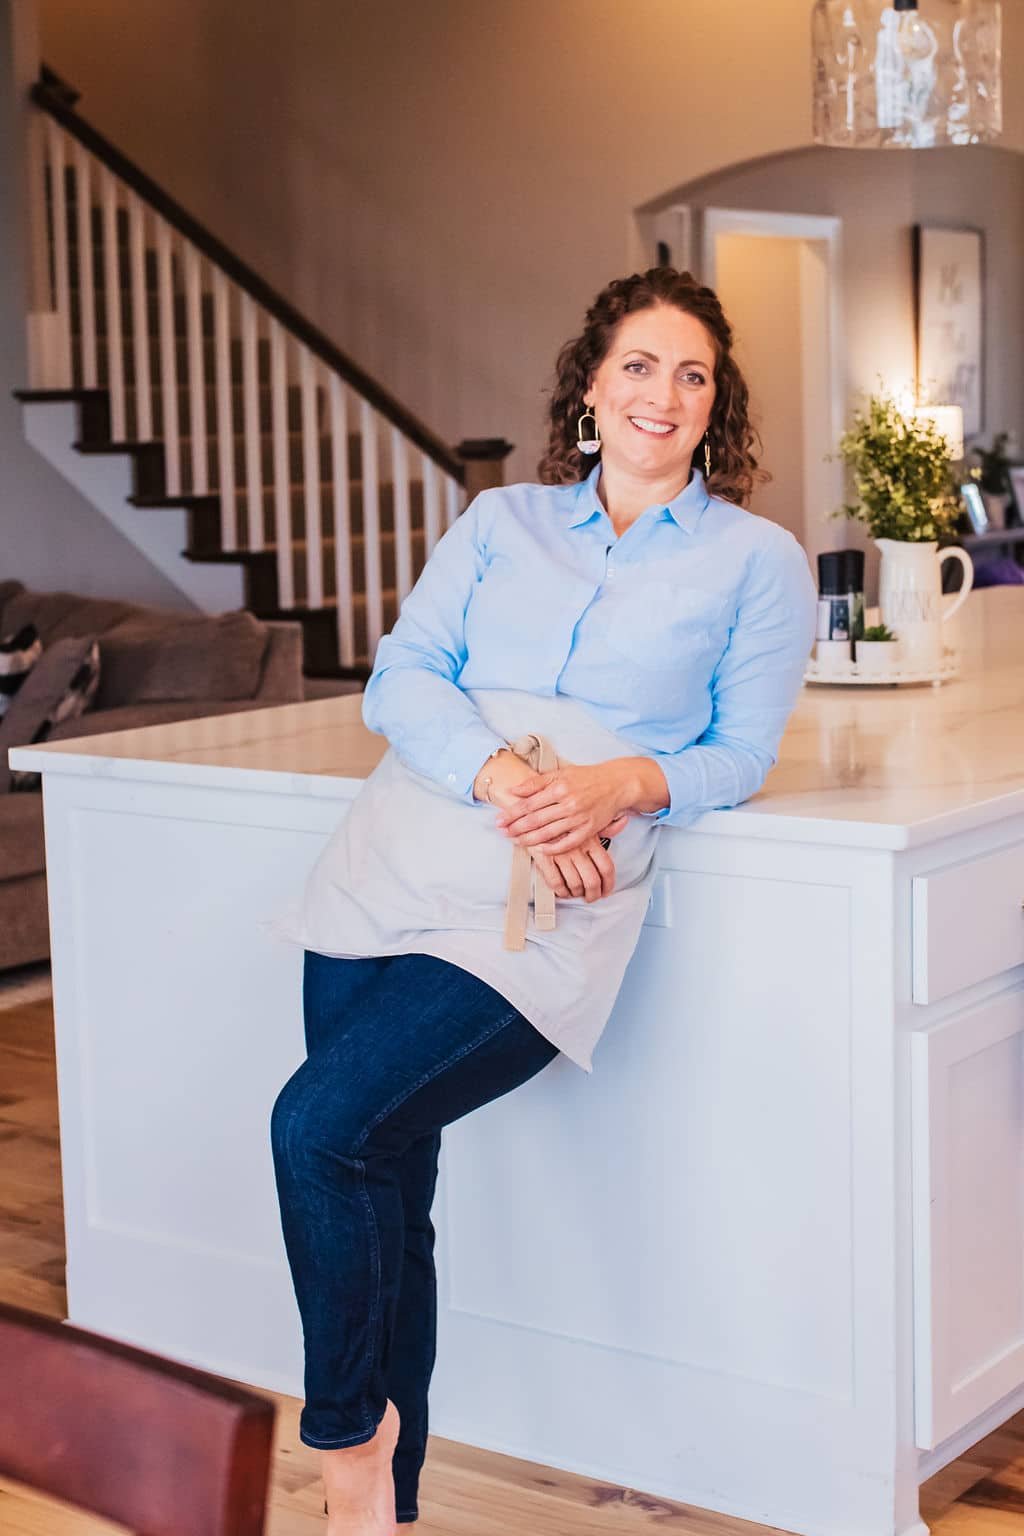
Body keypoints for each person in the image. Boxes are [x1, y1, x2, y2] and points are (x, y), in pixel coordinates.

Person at [267, 266, 817, 1535]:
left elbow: (739, 753)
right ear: (588, 385)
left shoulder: (757, 560)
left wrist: (623, 780)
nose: (661, 394)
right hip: (396, 860)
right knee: (383, 1187)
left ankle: (346, 1440)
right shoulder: (498, 521)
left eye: (691, 374)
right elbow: (402, 678)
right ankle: (385, 1514)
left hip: (551, 904)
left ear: (714, 403)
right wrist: (514, 779)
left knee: (318, 1128)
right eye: (637, 365)